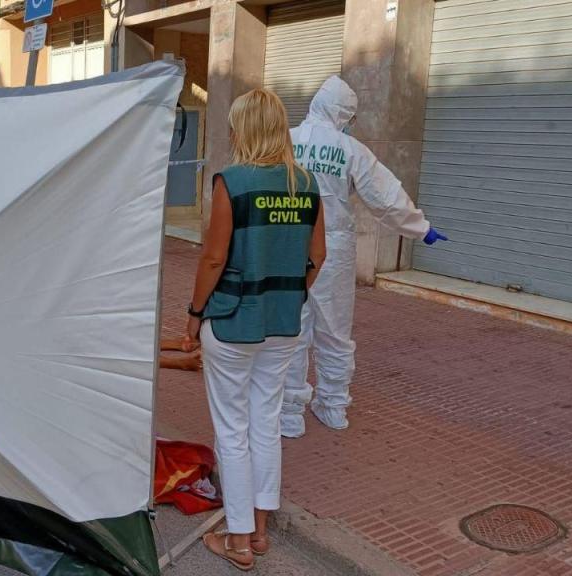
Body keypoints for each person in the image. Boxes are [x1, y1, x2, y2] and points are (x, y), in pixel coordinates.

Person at [183, 88, 326, 571]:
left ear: (245, 129)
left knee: (233, 431)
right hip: (284, 325)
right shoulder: (305, 183)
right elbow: (319, 256)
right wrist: (288, 290)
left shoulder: (234, 182)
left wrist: (194, 313)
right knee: (265, 425)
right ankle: (261, 533)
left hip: (232, 321)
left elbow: (214, 257)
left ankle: (239, 540)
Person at [280, 76, 448, 437]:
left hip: (285, 243)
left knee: (289, 328)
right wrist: (420, 228)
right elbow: (384, 194)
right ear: (343, 114)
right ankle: (332, 406)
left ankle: (288, 413)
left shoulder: (284, 141)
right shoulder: (349, 149)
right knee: (334, 331)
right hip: (334, 248)